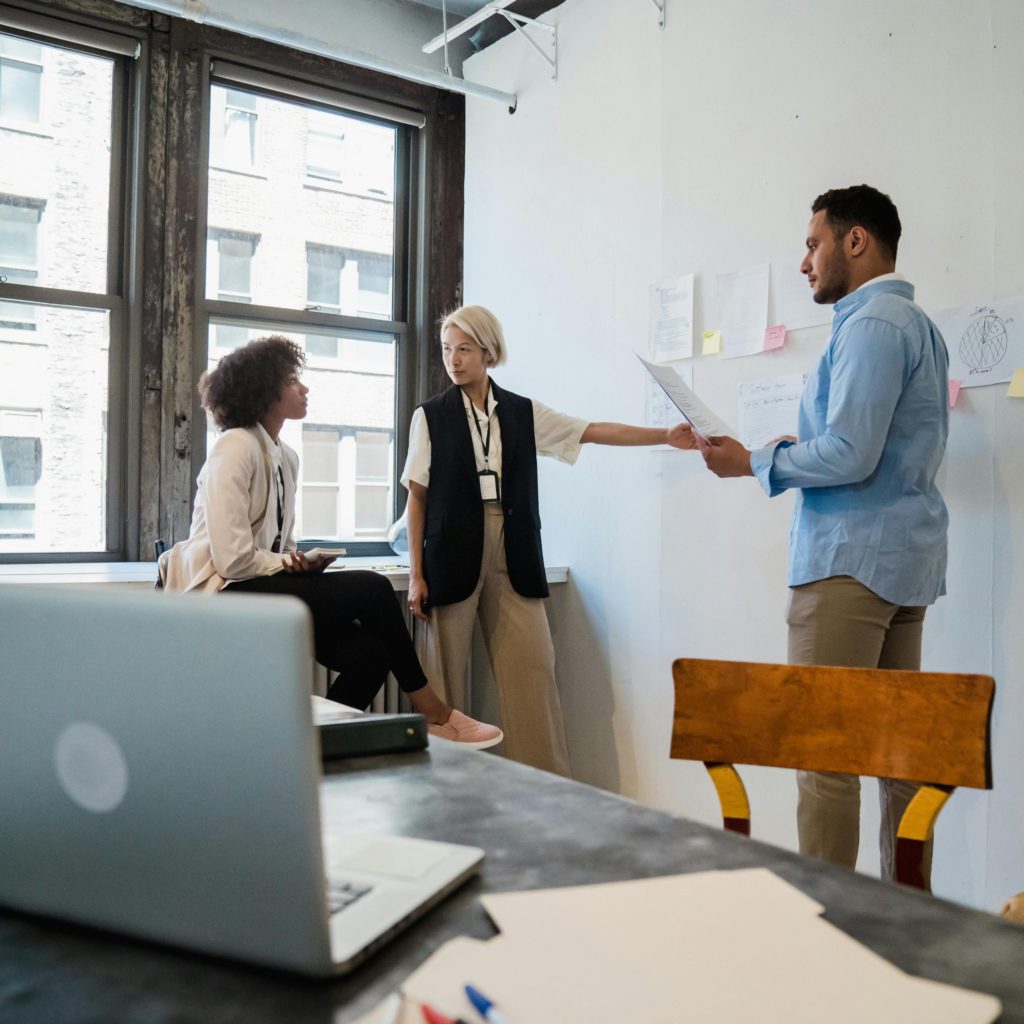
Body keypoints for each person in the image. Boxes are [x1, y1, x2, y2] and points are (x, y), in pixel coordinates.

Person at [698, 185, 950, 884]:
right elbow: (867, 444)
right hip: (901, 565)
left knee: (825, 754)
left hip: (849, 567)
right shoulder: (915, 324)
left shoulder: (872, 325)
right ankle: (904, 912)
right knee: (898, 756)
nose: (805, 262)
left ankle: (832, 922)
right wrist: (795, 447)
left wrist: (753, 461)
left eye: (813, 244)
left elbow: (851, 454)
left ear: (856, 240)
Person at [160, 334, 501, 747]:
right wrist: (286, 564)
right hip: (218, 591)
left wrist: (296, 561)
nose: (304, 389)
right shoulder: (235, 447)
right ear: (265, 392)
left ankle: (311, 749)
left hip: (259, 586)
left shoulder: (286, 456)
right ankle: (435, 712)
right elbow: (231, 561)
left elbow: (275, 545)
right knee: (374, 588)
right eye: (292, 382)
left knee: (372, 657)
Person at [402, 305, 696, 776]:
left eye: (464, 349)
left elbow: (592, 431)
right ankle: (442, 797)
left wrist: (666, 435)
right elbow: (416, 499)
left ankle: (548, 793)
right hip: (450, 553)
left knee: (534, 675)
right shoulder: (430, 417)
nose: (453, 360)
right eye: (446, 350)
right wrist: (416, 574)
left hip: (514, 548)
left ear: (488, 352)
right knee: (443, 686)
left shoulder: (521, 412)